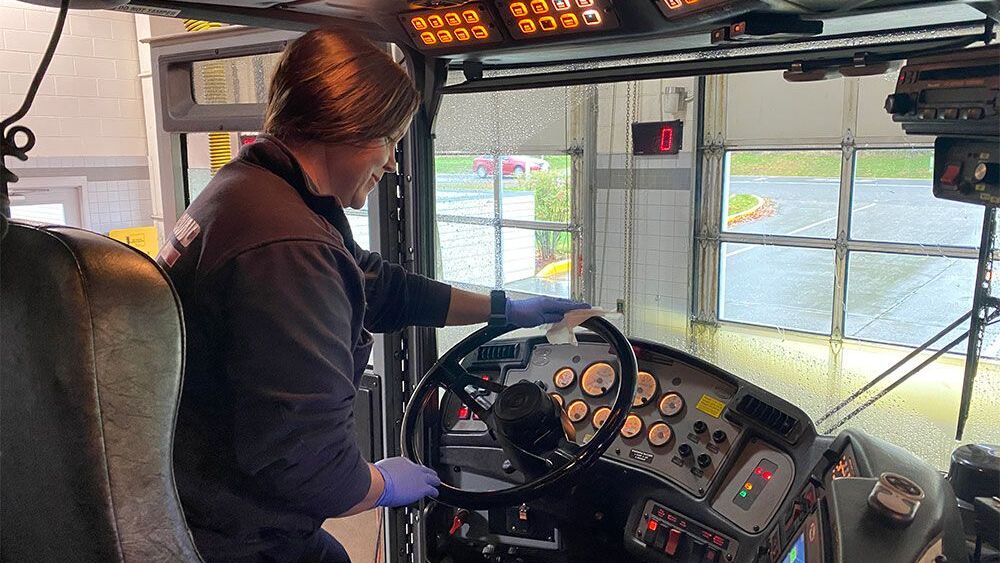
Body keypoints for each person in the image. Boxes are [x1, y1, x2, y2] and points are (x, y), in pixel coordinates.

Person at [156, 29, 589, 563]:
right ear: (347, 127)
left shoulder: (252, 191)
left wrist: (503, 308)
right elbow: (307, 464)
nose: (392, 164)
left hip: (200, 503)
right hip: (235, 534)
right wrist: (379, 484)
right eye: (388, 141)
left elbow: (382, 290)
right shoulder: (288, 248)